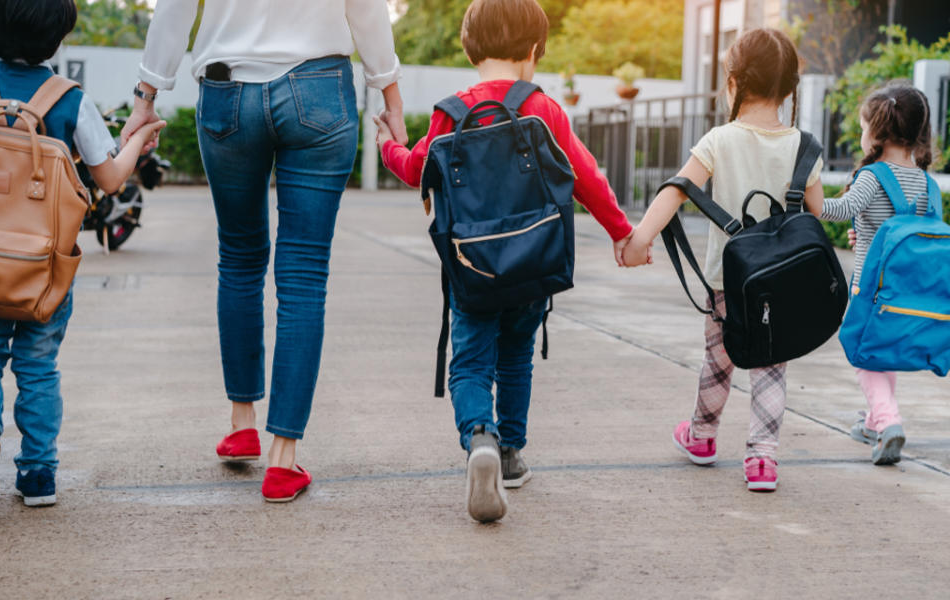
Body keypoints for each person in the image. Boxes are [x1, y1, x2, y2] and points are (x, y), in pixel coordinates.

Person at [122, 0, 407, 503]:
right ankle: (282, 460)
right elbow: (364, 9)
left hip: (227, 89)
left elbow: (174, 9)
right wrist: (390, 94)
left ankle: (241, 424)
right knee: (303, 274)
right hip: (320, 90)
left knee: (239, 259)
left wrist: (146, 96)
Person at [375, 0, 636, 522]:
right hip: (533, 264)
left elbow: (415, 170)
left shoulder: (451, 111)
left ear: (470, 48)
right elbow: (587, 178)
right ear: (533, 50)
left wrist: (388, 144)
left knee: (471, 360)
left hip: (472, 267)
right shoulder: (543, 108)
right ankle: (511, 455)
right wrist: (623, 233)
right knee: (516, 355)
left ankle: (480, 439)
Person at [622, 28, 824, 492]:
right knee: (772, 363)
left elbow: (677, 188)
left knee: (719, 360)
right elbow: (817, 212)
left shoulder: (719, 139)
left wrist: (640, 238)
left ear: (732, 83)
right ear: (791, 88)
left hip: (727, 281)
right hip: (784, 283)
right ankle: (762, 461)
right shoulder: (804, 147)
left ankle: (703, 436)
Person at [0, 0, 165, 506]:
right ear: (57, 39)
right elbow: (109, 179)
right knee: (38, 367)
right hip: (44, 268)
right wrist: (139, 139)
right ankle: (38, 474)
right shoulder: (69, 100)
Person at [820, 82, 935, 465]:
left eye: (863, 126)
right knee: (883, 351)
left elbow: (838, 210)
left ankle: (888, 421)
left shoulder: (872, 176)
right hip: (907, 290)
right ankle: (873, 421)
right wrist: (865, 230)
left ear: (877, 131)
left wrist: (809, 192)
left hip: (869, 287)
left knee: (863, 354)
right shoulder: (925, 181)